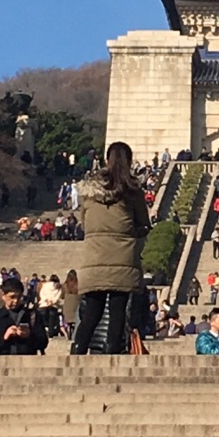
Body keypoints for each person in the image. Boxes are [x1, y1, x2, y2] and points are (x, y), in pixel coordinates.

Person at [72, 142, 151, 355]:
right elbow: (144, 222)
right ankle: (111, 353)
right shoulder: (132, 190)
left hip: (95, 256)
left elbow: (84, 223)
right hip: (123, 257)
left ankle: (77, 350)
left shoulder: (89, 191)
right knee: (118, 311)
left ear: (107, 159)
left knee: (92, 311)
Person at [0, 277, 48, 355]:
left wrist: (29, 335)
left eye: (19, 297)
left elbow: (43, 342)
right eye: (12, 297)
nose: (16, 301)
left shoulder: (32, 316)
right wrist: (4, 338)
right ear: (3, 296)